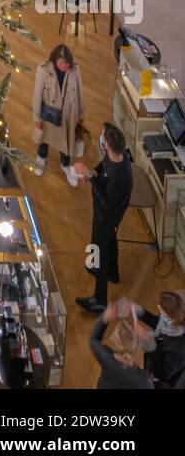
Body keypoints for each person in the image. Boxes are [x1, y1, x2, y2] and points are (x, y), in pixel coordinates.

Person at [74, 122, 134, 313]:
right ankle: (113, 273)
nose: (101, 141)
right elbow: (102, 167)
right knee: (109, 240)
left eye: (103, 138)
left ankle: (100, 299)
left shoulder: (120, 176)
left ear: (107, 145)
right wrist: (91, 173)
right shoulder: (116, 157)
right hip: (104, 215)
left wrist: (89, 177)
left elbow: (107, 200)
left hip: (106, 217)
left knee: (97, 249)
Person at [32, 43, 85, 187]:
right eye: (62, 63)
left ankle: (65, 164)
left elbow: (80, 92)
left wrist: (81, 114)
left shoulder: (75, 70)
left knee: (67, 140)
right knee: (45, 136)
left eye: (67, 63)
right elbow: (37, 95)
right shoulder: (43, 70)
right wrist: (36, 117)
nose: (65, 66)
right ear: (55, 60)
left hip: (69, 114)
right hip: (49, 112)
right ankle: (41, 157)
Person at [89, 304, 154, 391]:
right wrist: (149, 341)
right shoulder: (144, 381)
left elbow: (93, 339)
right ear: (137, 347)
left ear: (116, 346)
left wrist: (105, 318)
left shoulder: (106, 358)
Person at [128, 291, 185, 386]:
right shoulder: (175, 322)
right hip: (156, 359)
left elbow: (163, 374)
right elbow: (161, 325)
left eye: (162, 314)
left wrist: (150, 345)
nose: (160, 316)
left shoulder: (178, 349)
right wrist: (142, 313)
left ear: (172, 318)